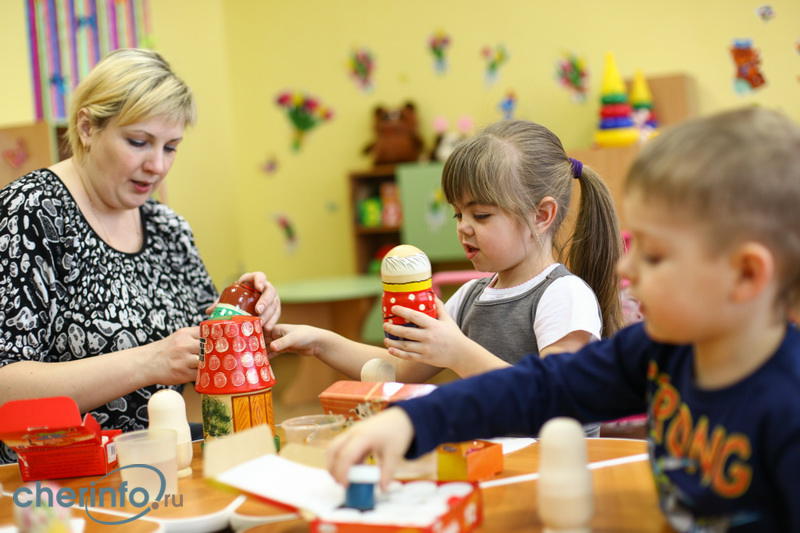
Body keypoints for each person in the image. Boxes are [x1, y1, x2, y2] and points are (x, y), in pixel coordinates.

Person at [326, 107, 800, 532]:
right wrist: (414, 420)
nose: (625, 270)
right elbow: (540, 388)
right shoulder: (657, 353)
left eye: (654, 256)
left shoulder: (788, 408)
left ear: (745, 274)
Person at [0, 49, 281, 464]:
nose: (156, 166)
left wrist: (246, 314)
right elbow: (6, 386)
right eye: (138, 142)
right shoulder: (31, 213)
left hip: (154, 459)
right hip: (52, 477)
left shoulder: (168, 228)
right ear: (88, 127)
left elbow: (205, 338)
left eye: (171, 148)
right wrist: (151, 361)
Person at [270, 119, 622, 437]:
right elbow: (397, 369)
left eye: (481, 215)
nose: (463, 228)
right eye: (458, 214)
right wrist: (319, 342)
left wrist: (457, 352)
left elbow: (553, 404)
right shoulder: (472, 295)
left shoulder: (564, 295)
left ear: (542, 215)